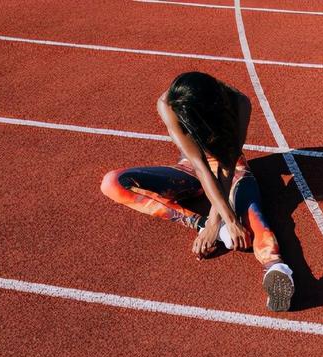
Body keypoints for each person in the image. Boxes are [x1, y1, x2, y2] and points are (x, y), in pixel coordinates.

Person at [100, 71, 294, 312]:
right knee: (112, 182)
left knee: (252, 213)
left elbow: (226, 166)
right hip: (191, 170)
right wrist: (211, 225)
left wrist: (227, 219)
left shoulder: (239, 104)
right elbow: (200, 167)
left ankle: (275, 267)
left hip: (232, 169)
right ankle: (199, 224)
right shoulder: (167, 104)